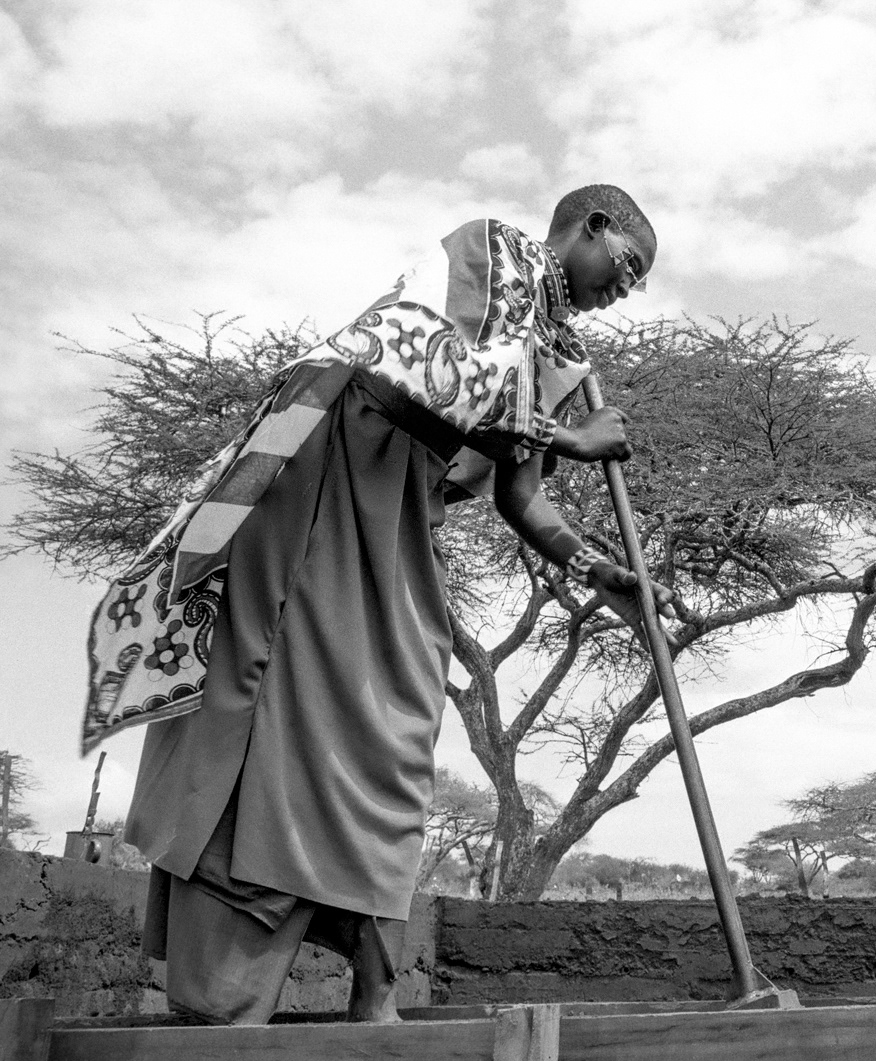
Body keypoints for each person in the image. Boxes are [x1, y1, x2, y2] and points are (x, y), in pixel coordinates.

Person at [84, 185, 674, 1023]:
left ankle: (372, 980)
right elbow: (410, 368)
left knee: (393, 719)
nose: (626, 288)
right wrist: (575, 435)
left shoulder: (555, 344)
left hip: (397, 505)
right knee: (293, 697)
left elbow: (521, 494)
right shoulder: (490, 252)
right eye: (627, 266)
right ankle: (238, 986)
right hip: (330, 474)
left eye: (637, 282)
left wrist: (592, 567)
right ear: (594, 227)